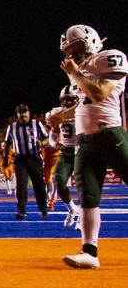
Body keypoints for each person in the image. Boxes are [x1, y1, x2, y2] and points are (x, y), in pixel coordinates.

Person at [55, 25, 127, 269]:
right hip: (85, 139)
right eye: (69, 49)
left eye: (76, 47)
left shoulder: (108, 58)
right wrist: (61, 115)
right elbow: (85, 103)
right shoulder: (80, 70)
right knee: (88, 197)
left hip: (109, 133)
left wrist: (76, 74)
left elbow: (99, 94)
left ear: (91, 42)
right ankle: (89, 252)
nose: (73, 54)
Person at [2, 104, 50, 219]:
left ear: (29, 113)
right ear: (17, 114)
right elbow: (7, 143)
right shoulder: (12, 127)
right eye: (20, 112)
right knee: (21, 185)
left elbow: (47, 138)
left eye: (24, 112)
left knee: (39, 184)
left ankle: (43, 208)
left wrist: (42, 143)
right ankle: (21, 210)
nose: (22, 114)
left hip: (35, 157)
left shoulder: (36, 124)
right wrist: (6, 158)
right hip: (20, 159)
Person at [45, 84, 82, 228]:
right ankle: (72, 208)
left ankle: (84, 218)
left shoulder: (82, 111)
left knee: (84, 185)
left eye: (70, 99)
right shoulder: (58, 113)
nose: (67, 103)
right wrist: (55, 144)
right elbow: (53, 133)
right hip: (66, 151)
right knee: (58, 179)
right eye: (64, 100)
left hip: (82, 151)